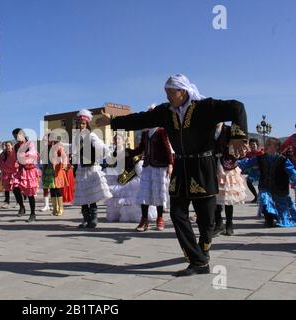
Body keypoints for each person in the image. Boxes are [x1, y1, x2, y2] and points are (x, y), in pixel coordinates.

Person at [98, 74, 248, 277]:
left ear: (183, 91)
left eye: (172, 92)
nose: (168, 96)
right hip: (180, 165)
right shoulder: (165, 112)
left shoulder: (205, 107)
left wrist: (239, 136)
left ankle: (202, 251)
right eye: (166, 92)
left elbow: (236, 107)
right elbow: (141, 118)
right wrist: (114, 122)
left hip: (203, 165)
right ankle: (199, 261)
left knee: (206, 220)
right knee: (177, 214)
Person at [239, 138, 296, 228]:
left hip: (280, 188)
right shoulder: (260, 158)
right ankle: (268, 219)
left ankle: (278, 217)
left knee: (281, 212)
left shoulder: (283, 160)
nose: (267, 146)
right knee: (264, 199)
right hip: (265, 186)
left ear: (276, 147)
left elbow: (292, 173)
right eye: (267, 144)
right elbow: (247, 162)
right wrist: (234, 163)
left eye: (270, 144)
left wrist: (294, 181)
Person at [131, 117, 174, 232]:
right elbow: (140, 149)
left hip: (160, 167)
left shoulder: (161, 131)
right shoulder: (145, 133)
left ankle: (160, 218)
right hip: (147, 167)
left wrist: (170, 164)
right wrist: (128, 151)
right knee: (144, 193)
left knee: (159, 193)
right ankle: (144, 220)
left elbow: (167, 149)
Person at [104, 133, 157, 223]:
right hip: (118, 178)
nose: (117, 141)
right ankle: (120, 215)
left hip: (130, 177)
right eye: (115, 139)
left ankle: (133, 216)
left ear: (124, 141)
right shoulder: (113, 154)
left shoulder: (129, 151)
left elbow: (138, 154)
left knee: (131, 199)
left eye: (119, 139)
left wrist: (144, 134)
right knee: (117, 199)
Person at [73, 109, 112, 229]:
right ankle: (86, 219)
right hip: (81, 169)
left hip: (91, 168)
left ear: (87, 124)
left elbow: (101, 146)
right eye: (79, 123)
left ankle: (93, 219)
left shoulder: (91, 135)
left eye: (83, 124)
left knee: (92, 195)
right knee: (83, 196)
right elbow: (74, 151)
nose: (81, 125)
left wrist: (101, 154)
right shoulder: (76, 137)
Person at [214, 123, 247, 236]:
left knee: (228, 196)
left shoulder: (229, 130)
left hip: (228, 166)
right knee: (214, 195)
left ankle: (229, 224)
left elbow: (240, 145)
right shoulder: (207, 129)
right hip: (212, 165)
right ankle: (218, 223)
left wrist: (238, 150)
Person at [12, 128, 39, 222]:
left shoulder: (30, 144)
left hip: (29, 170)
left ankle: (33, 213)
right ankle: (22, 207)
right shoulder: (16, 146)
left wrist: (21, 158)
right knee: (15, 188)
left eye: (17, 136)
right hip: (20, 170)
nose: (16, 138)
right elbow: (16, 157)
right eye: (14, 136)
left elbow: (32, 155)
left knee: (30, 193)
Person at [42, 133, 69, 216]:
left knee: (57, 190)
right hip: (48, 171)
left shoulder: (58, 146)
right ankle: (55, 209)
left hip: (57, 171)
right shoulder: (46, 148)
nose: (47, 140)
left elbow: (64, 157)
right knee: (52, 190)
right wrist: (43, 169)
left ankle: (60, 209)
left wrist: (64, 165)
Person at [0, 141, 18, 209]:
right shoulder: (3, 154)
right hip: (6, 173)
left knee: (15, 188)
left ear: (12, 146)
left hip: (14, 173)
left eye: (8, 145)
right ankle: (7, 202)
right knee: (6, 189)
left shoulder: (15, 153)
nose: (7, 147)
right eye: (6, 145)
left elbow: (18, 162)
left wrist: (15, 166)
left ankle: (18, 202)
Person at [243, 138, 264, 203]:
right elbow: (246, 162)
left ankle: (261, 198)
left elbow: (264, 163)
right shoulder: (248, 154)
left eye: (254, 144)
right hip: (252, 172)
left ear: (257, 145)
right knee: (248, 182)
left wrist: (258, 166)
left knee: (261, 185)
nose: (252, 146)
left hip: (261, 171)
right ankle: (256, 196)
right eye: (251, 144)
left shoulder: (261, 153)